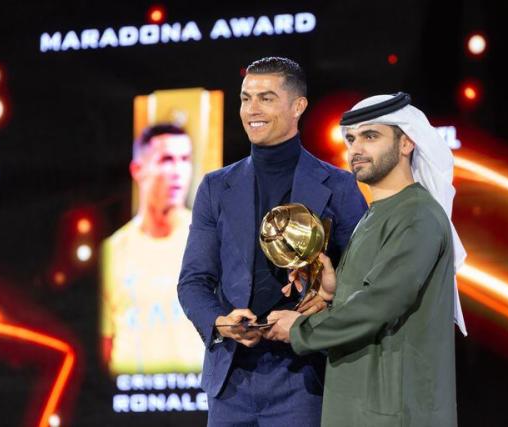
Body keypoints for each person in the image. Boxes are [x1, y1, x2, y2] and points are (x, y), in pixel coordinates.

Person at [177, 57, 368, 426]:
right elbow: (193, 282)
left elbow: (363, 285)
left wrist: (322, 308)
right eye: (246, 98)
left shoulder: (340, 187)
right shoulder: (216, 188)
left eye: (266, 98)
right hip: (231, 380)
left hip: (305, 377)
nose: (252, 110)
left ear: (298, 106)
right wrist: (219, 322)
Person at [265, 92, 468, 426]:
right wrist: (335, 290)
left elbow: (380, 304)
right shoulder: (376, 215)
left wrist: (300, 330)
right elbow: (369, 295)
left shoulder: (417, 215)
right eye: (351, 138)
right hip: (360, 409)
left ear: (407, 144)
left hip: (395, 414)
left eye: (370, 136)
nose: (356, 149)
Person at [101, 124, 204, 374]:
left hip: (196, 398)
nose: (178, 170)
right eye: (167, 159)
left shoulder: (210, 241)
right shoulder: (113, 251)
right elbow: (105, 343)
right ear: (138, 170)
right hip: (130, 399)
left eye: (184, 159)